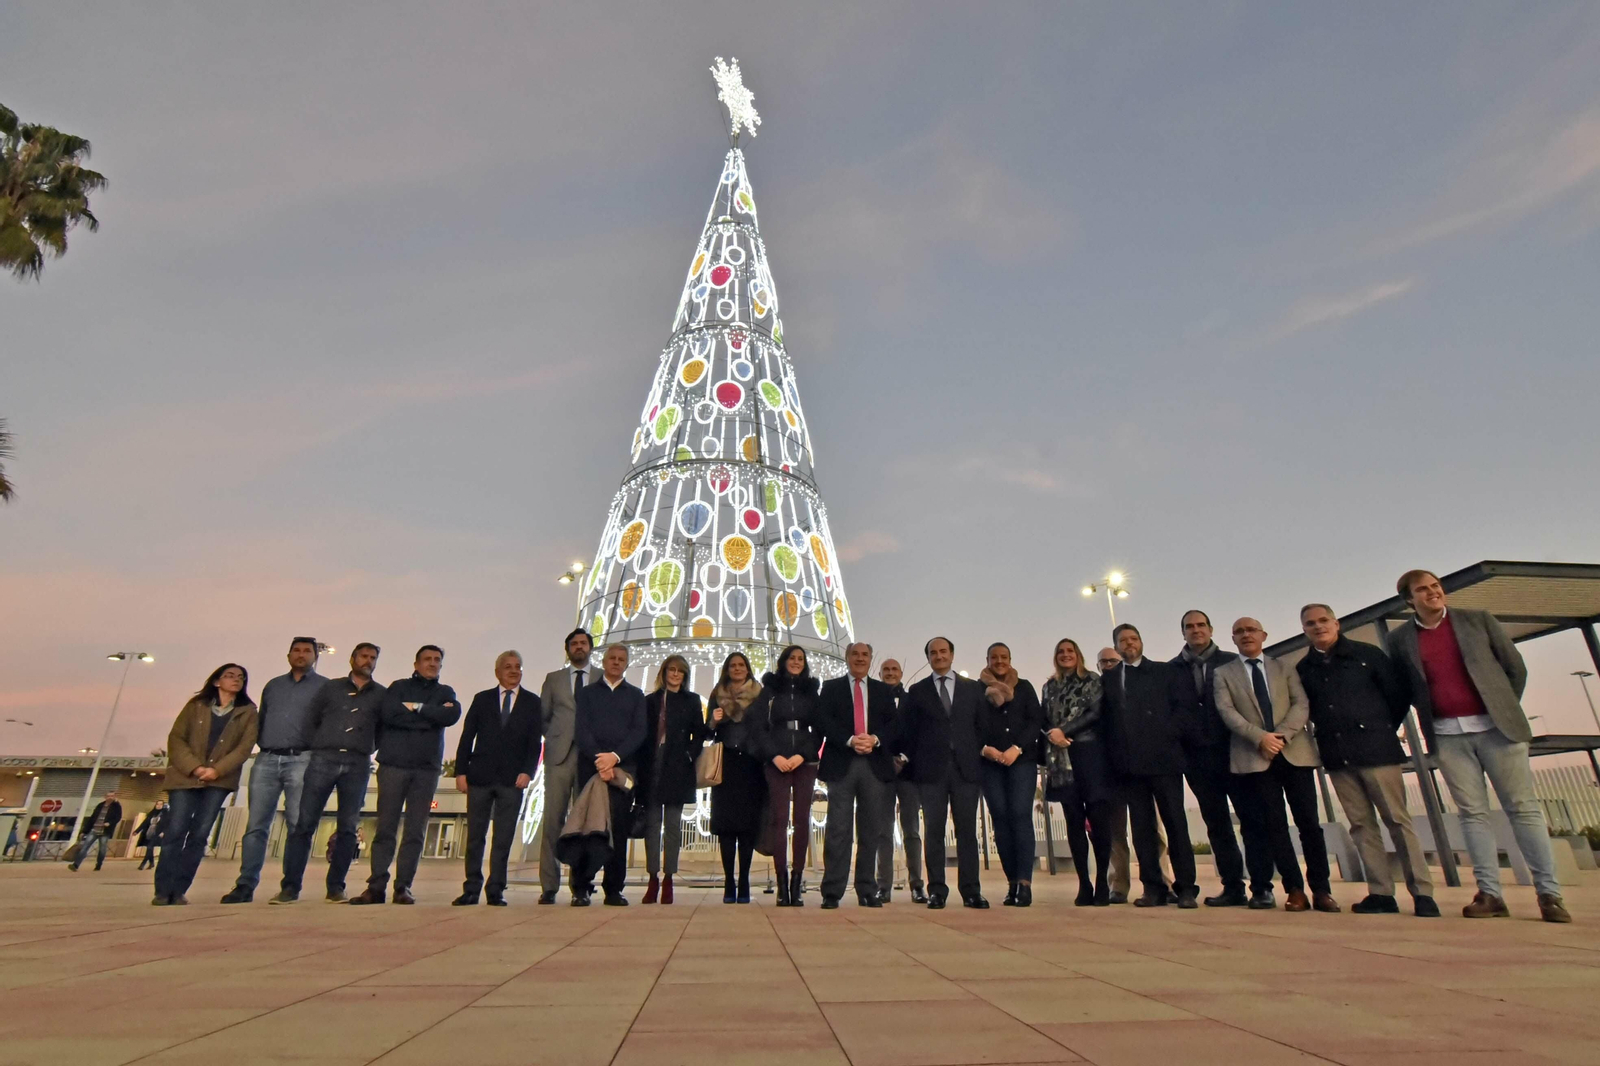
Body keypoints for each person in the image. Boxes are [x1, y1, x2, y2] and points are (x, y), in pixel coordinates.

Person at [1385, 569, 1570, 922]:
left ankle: (1549, 894)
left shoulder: (1477, 621)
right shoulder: (1400, 640)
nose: (1432, 593)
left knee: (1522, 808)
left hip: (1498, 731)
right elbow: (1405, 688)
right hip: (1447, 736)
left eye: (1435, 587)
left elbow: (1515, 669)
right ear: (1409, 600)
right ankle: (1490, 894)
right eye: (1422, 590)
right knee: (1472, 814)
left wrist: (1501, 708)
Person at [1297, 604, 1439, 918]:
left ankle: (1423, 893)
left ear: (1336, 623)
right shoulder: (1305, 668)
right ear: (1304, 629)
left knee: (1398, 821)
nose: (1318, 627)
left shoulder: (1367, 655)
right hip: (1337, 755)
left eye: (1323, 620)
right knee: (1361, 826)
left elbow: (1397, 695)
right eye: (1311, 623)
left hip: (1376, 752)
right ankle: (1380, 892)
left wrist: (1378, 727)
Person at [1215, 617, 1337, 913]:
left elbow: (1301, 704)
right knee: (1275, 826)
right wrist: (1260, 738)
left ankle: (1321, 889)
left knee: (1309, 823)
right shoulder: (1223, 673)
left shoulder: (1285, 667)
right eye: (1240, 632)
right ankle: (1294, 889)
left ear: (1264, 635)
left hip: (1294, 753)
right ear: (1232, 639)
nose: (1246, 635)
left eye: (1252, 630)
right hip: (1257, 757)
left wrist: (1281, 736)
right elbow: (1227, 711)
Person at [271, 644, 386, 905]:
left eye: (372, 658)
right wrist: (323, 742)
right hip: (324, 758)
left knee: (348, 827)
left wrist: (365, 746)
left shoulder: (381, 694)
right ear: (352, 659)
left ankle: (336, 887)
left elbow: (382, 729)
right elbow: (311, 719)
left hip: (357, 763)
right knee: (304, 824)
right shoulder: (331, 688)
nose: (367, 661)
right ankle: (290, 887)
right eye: (363, 656)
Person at [352, 645, 461, 905]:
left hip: (426, 769)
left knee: (415, 830)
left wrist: (415, 708)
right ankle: (376, 886)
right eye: (427, 659)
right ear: (416, 664)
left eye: (437, 660)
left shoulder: (445, 692)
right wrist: (429, 715)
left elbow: (450, 715)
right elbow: (389, 714)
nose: (433, 663)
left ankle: (403, 887)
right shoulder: (398, 687)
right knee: (386, 827)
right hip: (394, 765)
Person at [1101, 624, 1197, 908]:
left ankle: (1186, 888)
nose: (1129, 644)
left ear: (1141, 642)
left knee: (1175, 824)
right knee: (1142, 828)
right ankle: (1152, 888)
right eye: (1122, 640)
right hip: (1130, 766)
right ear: (1116, 646)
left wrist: (1167, 734)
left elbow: (1184, 710)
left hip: (1164, 761)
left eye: (1133, 639)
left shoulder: (1165, 672)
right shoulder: (1109, 679)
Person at [222, 637, 323, 903]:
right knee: (256, 826)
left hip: (302, 760)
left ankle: (290, 886)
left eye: (307, 651)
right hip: (266, 760)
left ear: (315, 656)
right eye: (296, 650)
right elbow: (262, 719)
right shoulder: (273, 686)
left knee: (297, 825)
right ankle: (245, 885)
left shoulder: (324, 687)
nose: (301, 655)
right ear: (288, 655)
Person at [1169, 611, 1259, 908]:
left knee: (1250, 819)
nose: (1195, 630)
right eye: (1189, 626)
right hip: (1197, 759)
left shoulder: (1231, 662)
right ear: (1182, 632)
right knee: (1216, 823)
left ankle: (1261, 886)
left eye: (1200, 625)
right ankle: (1233, 885)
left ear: (1210, 629)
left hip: (1234, 752)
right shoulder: (1172, 670)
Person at [155, 664, 260, 905]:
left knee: (200, 834)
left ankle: (179, 889)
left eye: (241, 677)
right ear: (216, 681)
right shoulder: (196, 706)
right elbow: (177, 738)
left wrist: (217, 770)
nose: (236, 680)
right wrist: (196, 768)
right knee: (176, 831)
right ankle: (162, 890)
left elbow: (244, 747)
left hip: (219, 781)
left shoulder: (247, 712)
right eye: (230, 676)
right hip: (185, 777)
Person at [897, 636, 990, 909]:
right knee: (934, 832)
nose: (939, 656)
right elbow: (909, 732)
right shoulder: (917, 692)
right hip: (931, 771)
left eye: (943, 651)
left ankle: (971, 891)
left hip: (965, 769)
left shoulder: (973, 689)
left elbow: (981, 727)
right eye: (933, 653)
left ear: (952, 654)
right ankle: (937, 890)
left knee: (967, 832)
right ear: (928, 657)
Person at [453, 650, 543, 906]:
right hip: (480, 778)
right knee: (475, 837)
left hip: (512, 781)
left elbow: (534, 743)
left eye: (518, 667)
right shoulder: (482, 700)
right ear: (497, 672)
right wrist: (460, 772)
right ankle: (471, 888)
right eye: (508, 667)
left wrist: (528, 772)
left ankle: (496, 889)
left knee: (503, 838)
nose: (514, 671)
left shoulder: (531, 702)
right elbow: (467, 737)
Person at [817, 642, 899, 909]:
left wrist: (874, 739)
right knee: (838, 829)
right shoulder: (830, 688)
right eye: (855, 654)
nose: (860, 659)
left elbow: (894, 725)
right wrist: (850, 739)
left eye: (865, 655)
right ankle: (832, 891)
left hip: (874, 764)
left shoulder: (882, 691)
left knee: (871, 830)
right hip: (842, 763)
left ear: (870, 659)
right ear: (847, 657)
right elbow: (824, 720)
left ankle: (867, 889)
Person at [571, 643, 647, 906]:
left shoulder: (636, 696)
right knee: (587, 829)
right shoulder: (587, 694)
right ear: (604, 662)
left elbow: (639, 732)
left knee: (619, 829)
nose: (616, 662)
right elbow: (582, 730)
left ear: (627, 664)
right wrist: (600, 760)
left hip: (622, 770)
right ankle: (580, 887)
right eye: (612, 658)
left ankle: (613, 889)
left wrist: (614, 758)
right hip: (591, 770)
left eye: (621, 659)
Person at [1041, 639, 1113, 905]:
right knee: (1073, 821)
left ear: (1078, 655)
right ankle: (1084, 883)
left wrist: (1065, 732)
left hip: (1090, 755)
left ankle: (1102, 881)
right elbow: (1045, 719)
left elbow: (1095, 713)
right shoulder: (1049, 687)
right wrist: (1054, 735)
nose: (1065, 655)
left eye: (1070, 651)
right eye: (1060, 651)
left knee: (1098, 819)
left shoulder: (1092, 680)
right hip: (1062, 758)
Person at [1098, 646, 1173, 904]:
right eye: (1103, 661)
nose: (1108, 664)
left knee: (1153, 828)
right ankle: (1118, 885)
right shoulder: (1101, 688)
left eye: (1112, 660)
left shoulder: (1135, 686)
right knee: (1116, 832)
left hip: (1140, 767)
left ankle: (1164, 881)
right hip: (1112, 770)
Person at [750, 644, 823, 907]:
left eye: (801, 658)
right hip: (777, 759)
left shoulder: (812, 692)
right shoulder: (769, 690)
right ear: (783, 661)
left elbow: (819, 728)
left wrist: (803, 754)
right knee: (779, 820)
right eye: (792, 658)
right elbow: (758, 727)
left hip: (805, 760)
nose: (796, 662)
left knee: (802, 819)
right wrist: (774, 756)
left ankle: (797, 881)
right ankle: (782, 883)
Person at [976, 642, 1043, 907]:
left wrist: (1017, 748)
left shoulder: (1024, 687)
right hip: (990, 763)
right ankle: (1012, 882)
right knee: (1001, 818)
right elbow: (971, 723)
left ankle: (1025, 884)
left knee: (1019, 815)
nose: (999, 661)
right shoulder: (976, 689)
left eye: (1004, 657)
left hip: (1021, 760)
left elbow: (1035, 721)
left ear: (1010, 659)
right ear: (988, 659)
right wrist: (985, 750)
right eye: (995, 657)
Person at [639, 654, 707, 905]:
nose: (676, 674)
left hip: (678, 767)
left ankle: (668, 877)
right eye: (672, 670)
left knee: (674, 827)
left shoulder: (691, 701)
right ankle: (652, 877)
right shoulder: (650, 701)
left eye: (680, 671)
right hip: (653, 765)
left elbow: (700, 734)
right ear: (664, 672)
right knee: (652, 825)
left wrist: (689, 753)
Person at [536, 628, 592, 905]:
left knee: (582, 824)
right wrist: (557, 737)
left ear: (590, 648)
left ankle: (580, 887)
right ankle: (549, 885)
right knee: (553, 820)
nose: (579, 647)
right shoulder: (553, 679)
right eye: (574, 643)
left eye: (583, 643)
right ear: (567, 649)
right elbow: (543, 717)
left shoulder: (600, 677)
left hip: (589, 758)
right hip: (559, 757)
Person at [708, 651, 764, 903]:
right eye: (733, 665)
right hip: (726, 763)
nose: (737, 668)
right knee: (726, 826)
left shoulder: (759, 693)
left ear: (748, 668)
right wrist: (713, 721)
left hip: (751, 763)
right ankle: (729, 880)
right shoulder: (717, 693)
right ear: (727, 669)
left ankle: (744, 880)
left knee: (747, 827)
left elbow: (765, 726)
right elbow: (707, 732)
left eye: (741, 665)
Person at [874, 658, 925, 904]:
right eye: (886, 670)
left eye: (894, 670)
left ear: (901, 673)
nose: (890, 673)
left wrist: (903, 758)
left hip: (908, 773)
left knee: (912, 831)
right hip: (882, 772)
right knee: (883, 831)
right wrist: (887, 760)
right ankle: (883, 885)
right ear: (881, 673)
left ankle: (917, 884)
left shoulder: (912, 700)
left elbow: (919, 733)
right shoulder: (873, 700)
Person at [68, 791, 123, 872]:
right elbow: (92, 818)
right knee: (84, 847)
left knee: (102, 849)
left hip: (105, 831)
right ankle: (76, 865)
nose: (110, 797)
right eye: (108, 796)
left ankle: (99, 864)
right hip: (94, 829)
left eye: (112, 796)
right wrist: (84, 831)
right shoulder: (100, 805)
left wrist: (110, 823)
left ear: (115, 797)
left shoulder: (116, 806)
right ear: (105, 797)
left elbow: (118, 817)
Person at [134, 800, 167, 871]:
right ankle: (152, 863)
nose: (159, 806)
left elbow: (167, 824)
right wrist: (137, 831)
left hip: (157, 833)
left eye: (161, 804)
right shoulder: (152, 813)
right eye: (157, 804)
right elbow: (145, 823)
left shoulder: (165, 814)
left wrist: (164, 832)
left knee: (149, 847)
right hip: (149, 833)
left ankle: (142, 864)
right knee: (150, 848)